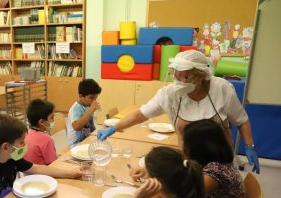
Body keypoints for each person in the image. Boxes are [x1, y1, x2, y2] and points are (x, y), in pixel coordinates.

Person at [97, 50, 260, 173]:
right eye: (176, 75)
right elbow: (141, 114)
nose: (178, 80)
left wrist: (249, 145)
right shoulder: (170, 93)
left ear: (201, 75)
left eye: (184, 76)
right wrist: (114, 127)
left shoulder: (222, 89)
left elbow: (241, 120)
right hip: (188, 160)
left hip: (218, 162)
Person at [183, 119, 245, 198]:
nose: (183, 147)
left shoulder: (214, 173)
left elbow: (184, 197)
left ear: (197, 148)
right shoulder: (220, 161)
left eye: (186, 143)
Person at [67, 79, 102, 148]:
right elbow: (76, 127)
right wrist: (90, 111)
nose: (94, 101)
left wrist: (96, 134)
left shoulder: (87, 105)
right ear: (81, 96)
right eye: (91, 98)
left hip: (87, 140)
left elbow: (91, 125)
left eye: (96, 98)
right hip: (76, 144)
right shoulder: (76, 108)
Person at [25, 99, 58, 165]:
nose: (53, 120)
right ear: (41, 122)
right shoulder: (47, 140)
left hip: (27, 175)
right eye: (51, 117)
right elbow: (53, 163)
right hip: (44, 174)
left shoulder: (25, 134)